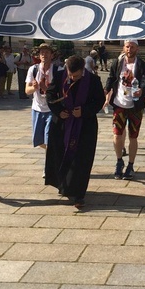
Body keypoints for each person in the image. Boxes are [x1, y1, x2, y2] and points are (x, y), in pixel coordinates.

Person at [45, 55, 105, 208]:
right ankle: (63, 185)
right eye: (70, 75)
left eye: (76, 75)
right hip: (62, 124)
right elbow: (50, 96)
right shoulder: (60, 76)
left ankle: (78, 194)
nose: (72, 78)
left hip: (84, 126)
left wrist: (84, 111)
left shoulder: (93, 80)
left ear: (83, 70)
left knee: (81, 160)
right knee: (60, 154)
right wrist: (59, 111)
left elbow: (99, 101)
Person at [104, 38, 145, 180]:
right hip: (119, 104)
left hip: (135, 106)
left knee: (133, 136)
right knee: (117, 135)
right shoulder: (117, 63)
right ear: (124, 48)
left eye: (132, 47)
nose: (129, 49)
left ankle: (130, 165)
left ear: (137, 49)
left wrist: (142, 91)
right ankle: (119, 161)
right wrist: (106, 90)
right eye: (127, 46)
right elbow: (111, 78)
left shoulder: (142, 65)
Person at [25, 43, 58, 167]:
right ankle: (56, 152)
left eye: (47, 52)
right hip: (37, 108)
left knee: (49, 138)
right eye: (42, 53)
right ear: (39, 55)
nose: (44, 55)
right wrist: (35, 88)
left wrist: (47, 88)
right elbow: (26, 90)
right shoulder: (33, 69)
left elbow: (61, 90)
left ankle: (49, 166)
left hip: (52, 108)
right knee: (38, 141)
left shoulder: (57, 70)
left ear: (52, 55)